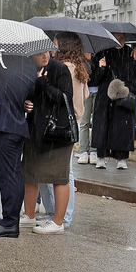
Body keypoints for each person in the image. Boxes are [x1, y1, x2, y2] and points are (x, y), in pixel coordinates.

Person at [19, 48, 74, 236]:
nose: (44, 56)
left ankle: (58, 222)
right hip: (35, 130)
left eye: (47, 52)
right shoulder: (27, 69)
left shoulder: (59, 69)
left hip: (57, 132)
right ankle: (29, 215)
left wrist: (43, 83)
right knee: (30, 173)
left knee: (59, 177)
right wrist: (26, 102)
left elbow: (65, 98)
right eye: (39, 53)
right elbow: (27, 95)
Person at [40, 36, 89, 228]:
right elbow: (84, 96)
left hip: (59, 121)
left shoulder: (63, 69)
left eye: (56, 43)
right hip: (73, 120)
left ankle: (61, 216)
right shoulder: (79, 68)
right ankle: (62, 215)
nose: (53, 46)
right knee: (65, 170)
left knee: (61, 171)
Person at [0, 53, 31, 237]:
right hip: (6, 124)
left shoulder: (8, 64)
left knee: (8, 175)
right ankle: (1, 219)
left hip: (6, 124)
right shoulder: (19, 64)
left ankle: (9, 221)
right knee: (4, 174)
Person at [90, 32, 136, 170]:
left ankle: (122, 157)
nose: (119, 41)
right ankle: (101, 156)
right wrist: (102, 67)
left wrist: (129, 90)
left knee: (123, 126)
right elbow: (94, 79)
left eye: (122, 38)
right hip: (104, 96)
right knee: (102, 126)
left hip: (124, 96)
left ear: (126, 39)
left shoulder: (132, 54)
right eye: (116, 38)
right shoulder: (102, 54)